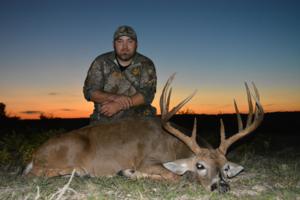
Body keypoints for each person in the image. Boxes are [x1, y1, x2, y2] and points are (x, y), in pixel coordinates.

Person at [83, 25, 157, 124]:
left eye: (130, 41)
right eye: (120, 41)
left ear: (136, 44)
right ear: (114, 44)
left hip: (140, 119)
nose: (125, 47)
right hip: (105, 118)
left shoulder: (146, 64)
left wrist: (119, 105)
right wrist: (115, 98)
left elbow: (147, 94)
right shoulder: (100, 61)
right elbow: (90, 92)